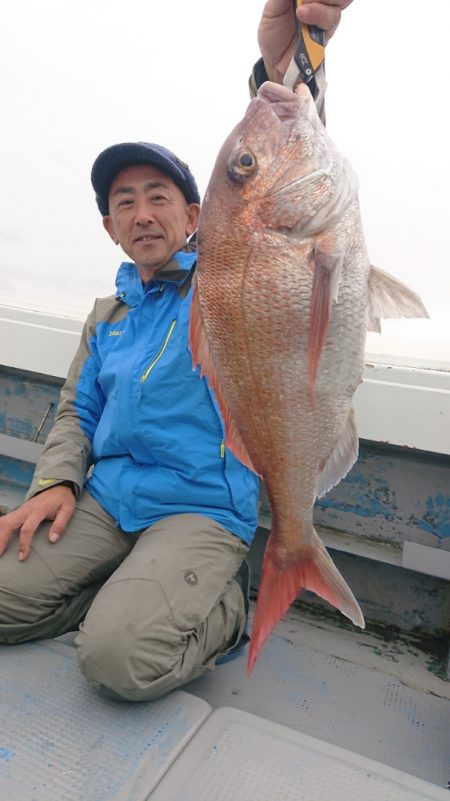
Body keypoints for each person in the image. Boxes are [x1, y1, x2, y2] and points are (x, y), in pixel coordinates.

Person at [0, 0, 353, 701]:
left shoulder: (228, 284)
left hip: (199, 505)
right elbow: (76, 411)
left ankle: (224, 611)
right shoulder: (108, 316)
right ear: (111, 228)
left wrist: (285, 63)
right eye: (124, 202)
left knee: (116, 662)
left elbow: (280, 161)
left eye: (158, 195)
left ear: (197, 217)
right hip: (109, 498)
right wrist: (56, 483)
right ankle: (118, 591)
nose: (141, 213)